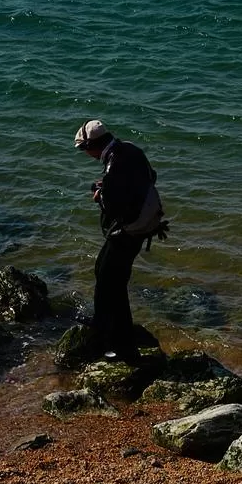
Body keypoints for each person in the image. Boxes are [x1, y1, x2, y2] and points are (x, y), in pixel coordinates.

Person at [74, 119, 163, 362]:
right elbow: (150, 176)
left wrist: (99, 196)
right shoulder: (131, 149)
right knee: (111, 278)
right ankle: (121, 336)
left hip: (127, 231)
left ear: (93, 145)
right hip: (144, 226)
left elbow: (112, 207)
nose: (86, 154)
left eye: (84, 149)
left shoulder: (114, 165)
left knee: (107, 283)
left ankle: (113, 344)